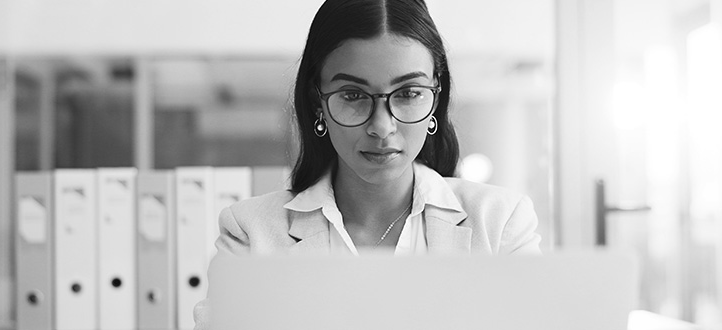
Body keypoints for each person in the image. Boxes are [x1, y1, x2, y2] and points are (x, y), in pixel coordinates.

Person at [194, 0, 541, 327]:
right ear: (318, 104)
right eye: (353, 96)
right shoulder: (251, 233)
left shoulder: (499, 225)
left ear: (436, 99)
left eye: (407, 94)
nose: (381, 126)